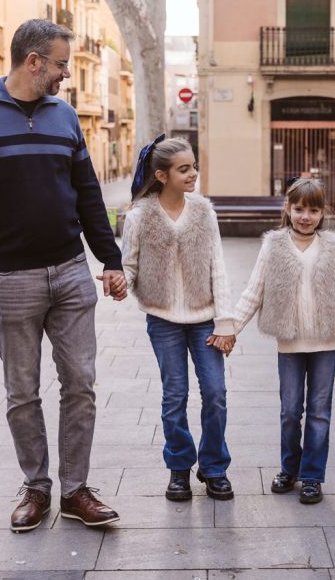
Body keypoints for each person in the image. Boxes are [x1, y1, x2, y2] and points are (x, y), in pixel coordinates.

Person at [0, 19, 125, 532]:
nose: (67, 74)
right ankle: (37, 487)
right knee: (22, 392)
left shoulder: (64, 117)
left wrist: (109, 260)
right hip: (11, 277)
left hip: (70, 272)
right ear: (34, 61)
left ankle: (76, 491)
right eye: (62, 64)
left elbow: (88, 194)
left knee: (81, 384)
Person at [232, 178, 335, 505]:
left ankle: (312, 475)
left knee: (319, 412)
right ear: (287, 208)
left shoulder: (331, 245)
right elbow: (253, 292)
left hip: (325, 342)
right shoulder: (273, 245)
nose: (305, 216)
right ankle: (289, 467)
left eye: (313, 210)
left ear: (322, 213)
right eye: (299, 208)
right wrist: (230, 329)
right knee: (289, 411)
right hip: (290, 343)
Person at [122, 135, 237, 501]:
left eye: (194, 167)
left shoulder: (204, 211)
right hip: (163, 320)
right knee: (175, 396)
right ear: (161, 175)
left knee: (215, 393)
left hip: (206, 319)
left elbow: (217, 265)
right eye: (183, 169)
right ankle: (178, 469)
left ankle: (214, 467)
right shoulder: (139, 215)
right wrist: (118, 284)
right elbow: (128, 266)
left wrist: (226, 321)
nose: (193, 174)